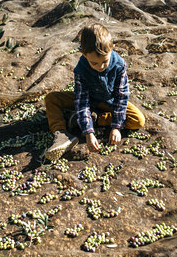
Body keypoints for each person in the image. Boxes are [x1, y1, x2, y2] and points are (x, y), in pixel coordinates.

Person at [43, 23, 145, 161]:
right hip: (90, 100)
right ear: (84, 54)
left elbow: (121, 97)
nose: (100, 67)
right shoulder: (81, 69)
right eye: (94, 63)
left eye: (104, 62)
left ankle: (96, 119)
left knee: (138, 120)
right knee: (51, 99)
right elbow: (82, 101)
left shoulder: (119, 65)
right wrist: (89, 133)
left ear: (112, 48)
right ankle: (61, 133)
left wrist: (116, 127)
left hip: (110, 102)